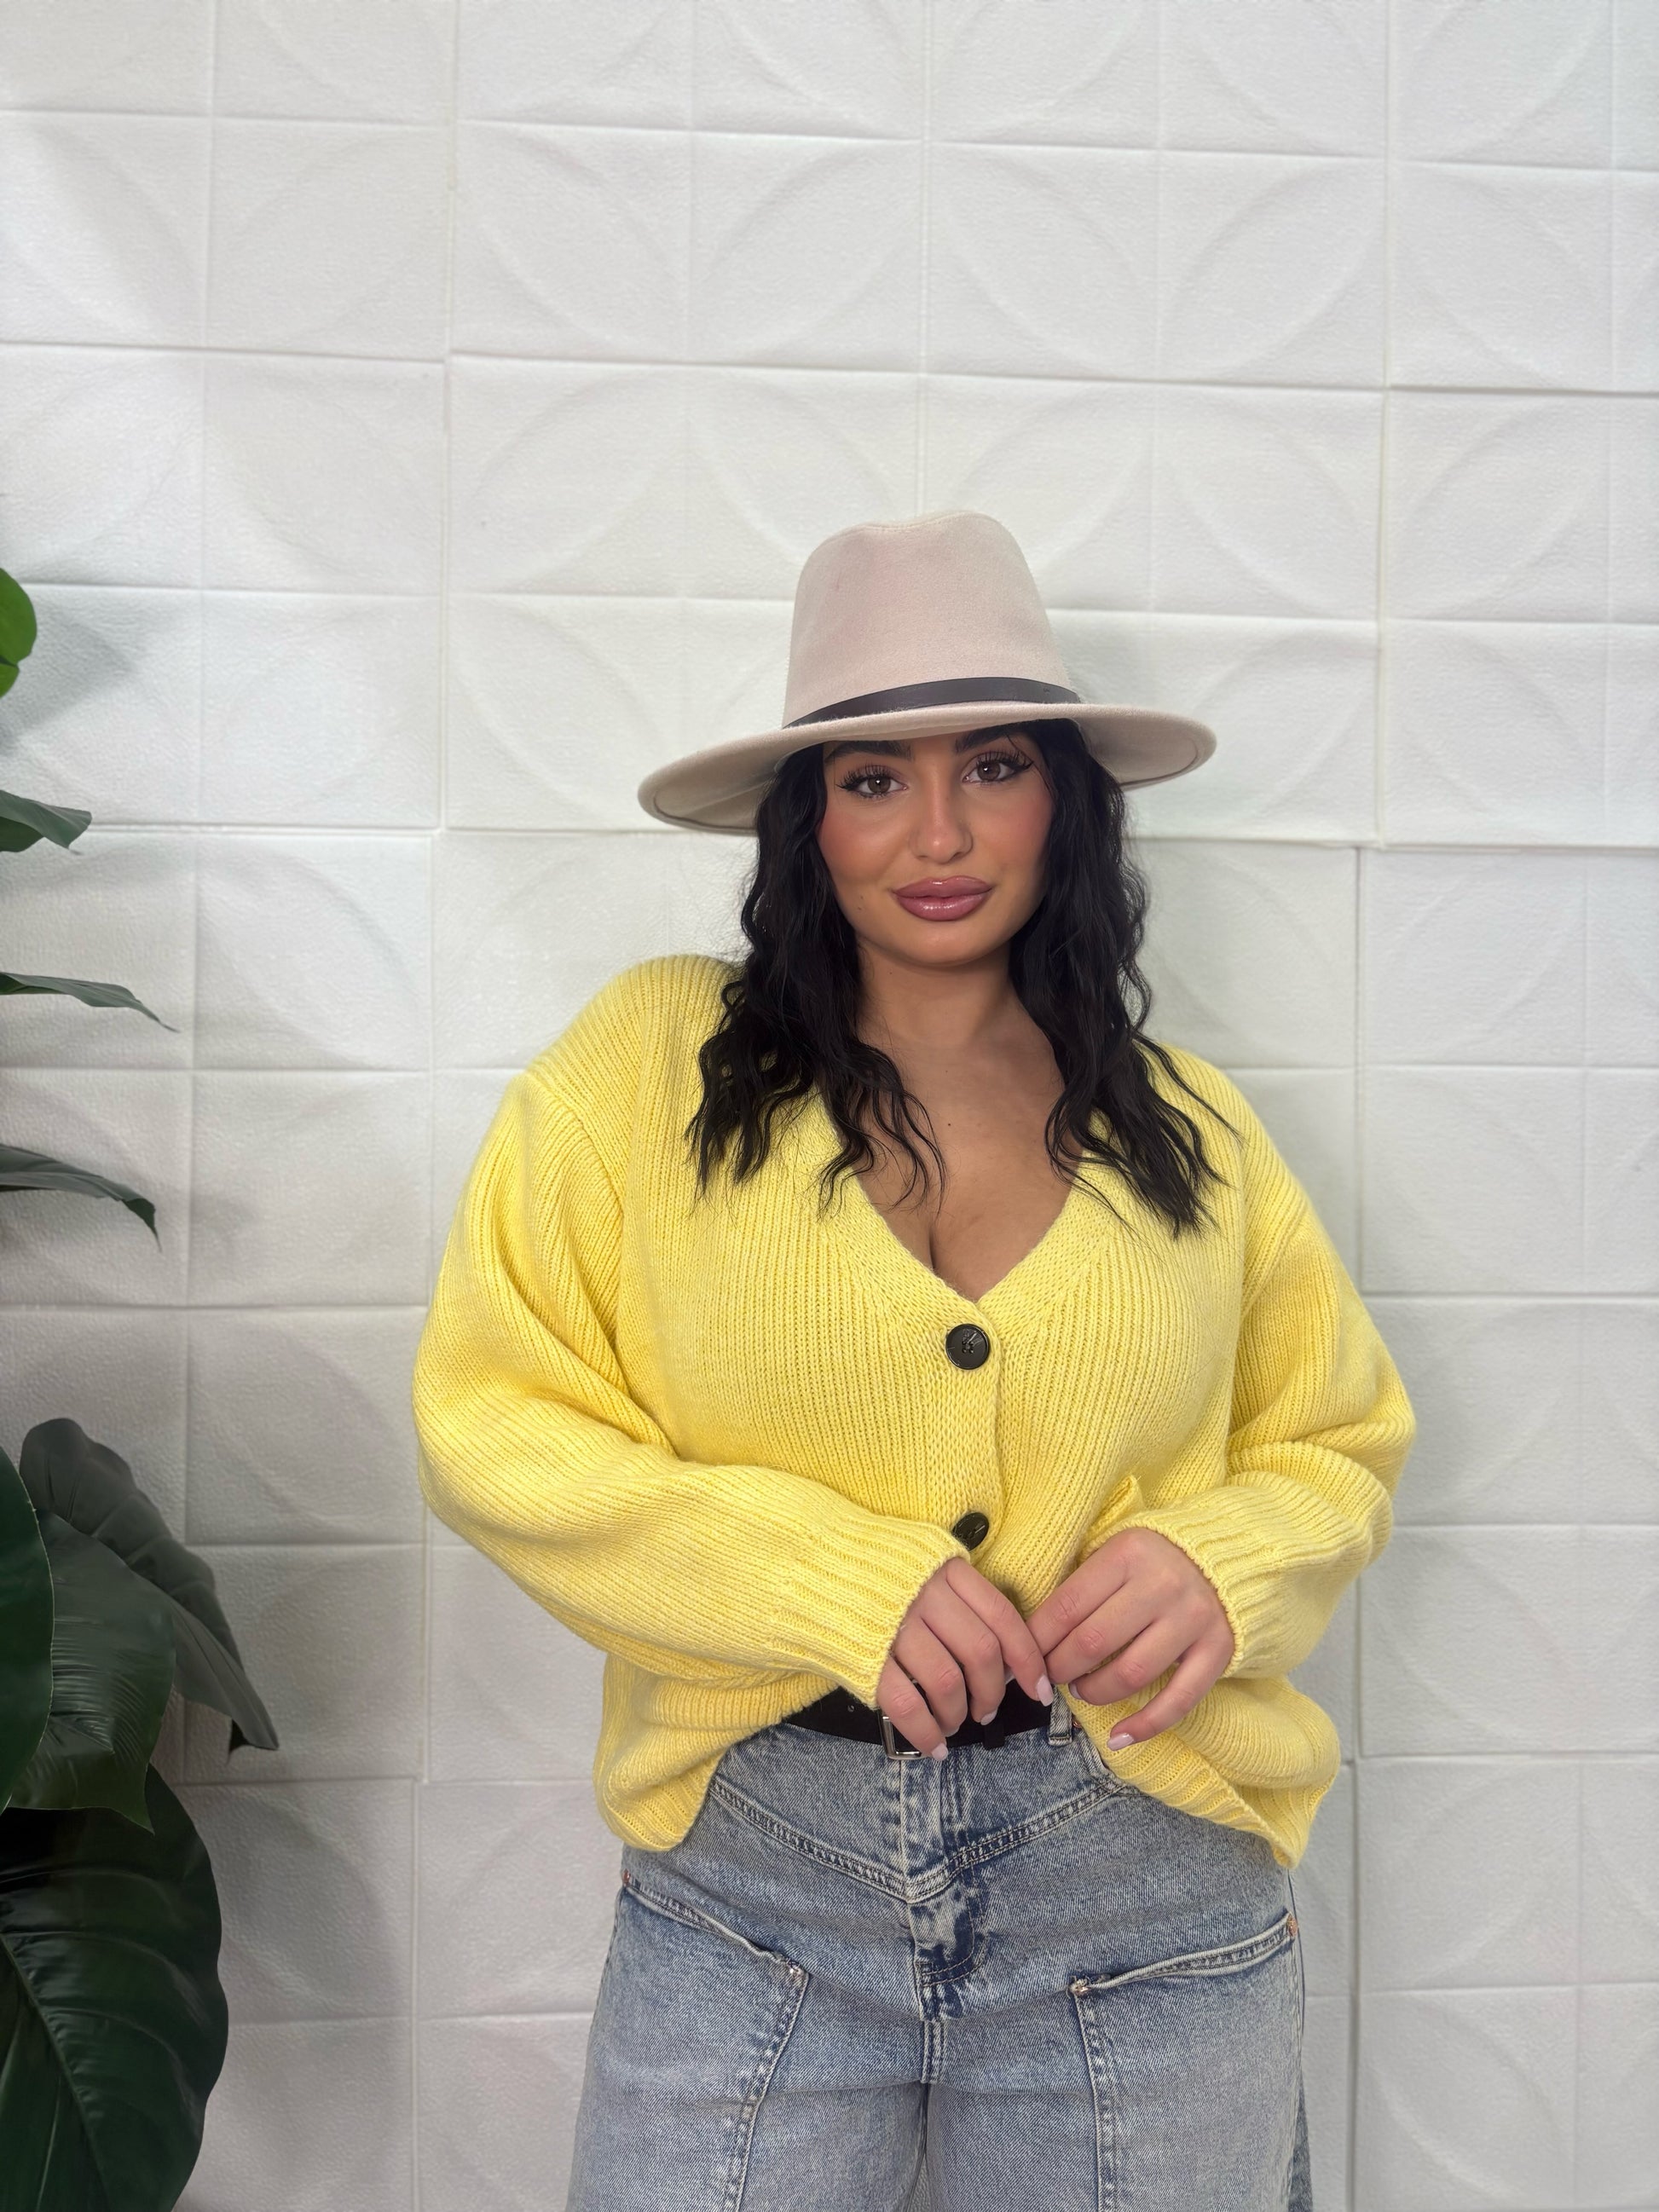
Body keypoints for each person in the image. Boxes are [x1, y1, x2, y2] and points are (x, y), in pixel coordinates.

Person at [411, 511, 1417, 2211]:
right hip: (755, 1894)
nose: (937, 833)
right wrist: (822, 1576)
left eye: (994, 768)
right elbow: (494, 1415)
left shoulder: (1187, 1129)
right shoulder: (646, 1066)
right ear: (806, 818)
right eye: (872, 778)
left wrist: (1224, 1559)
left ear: (1063, 804)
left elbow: (1336, 1436)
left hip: (1145, 1889)